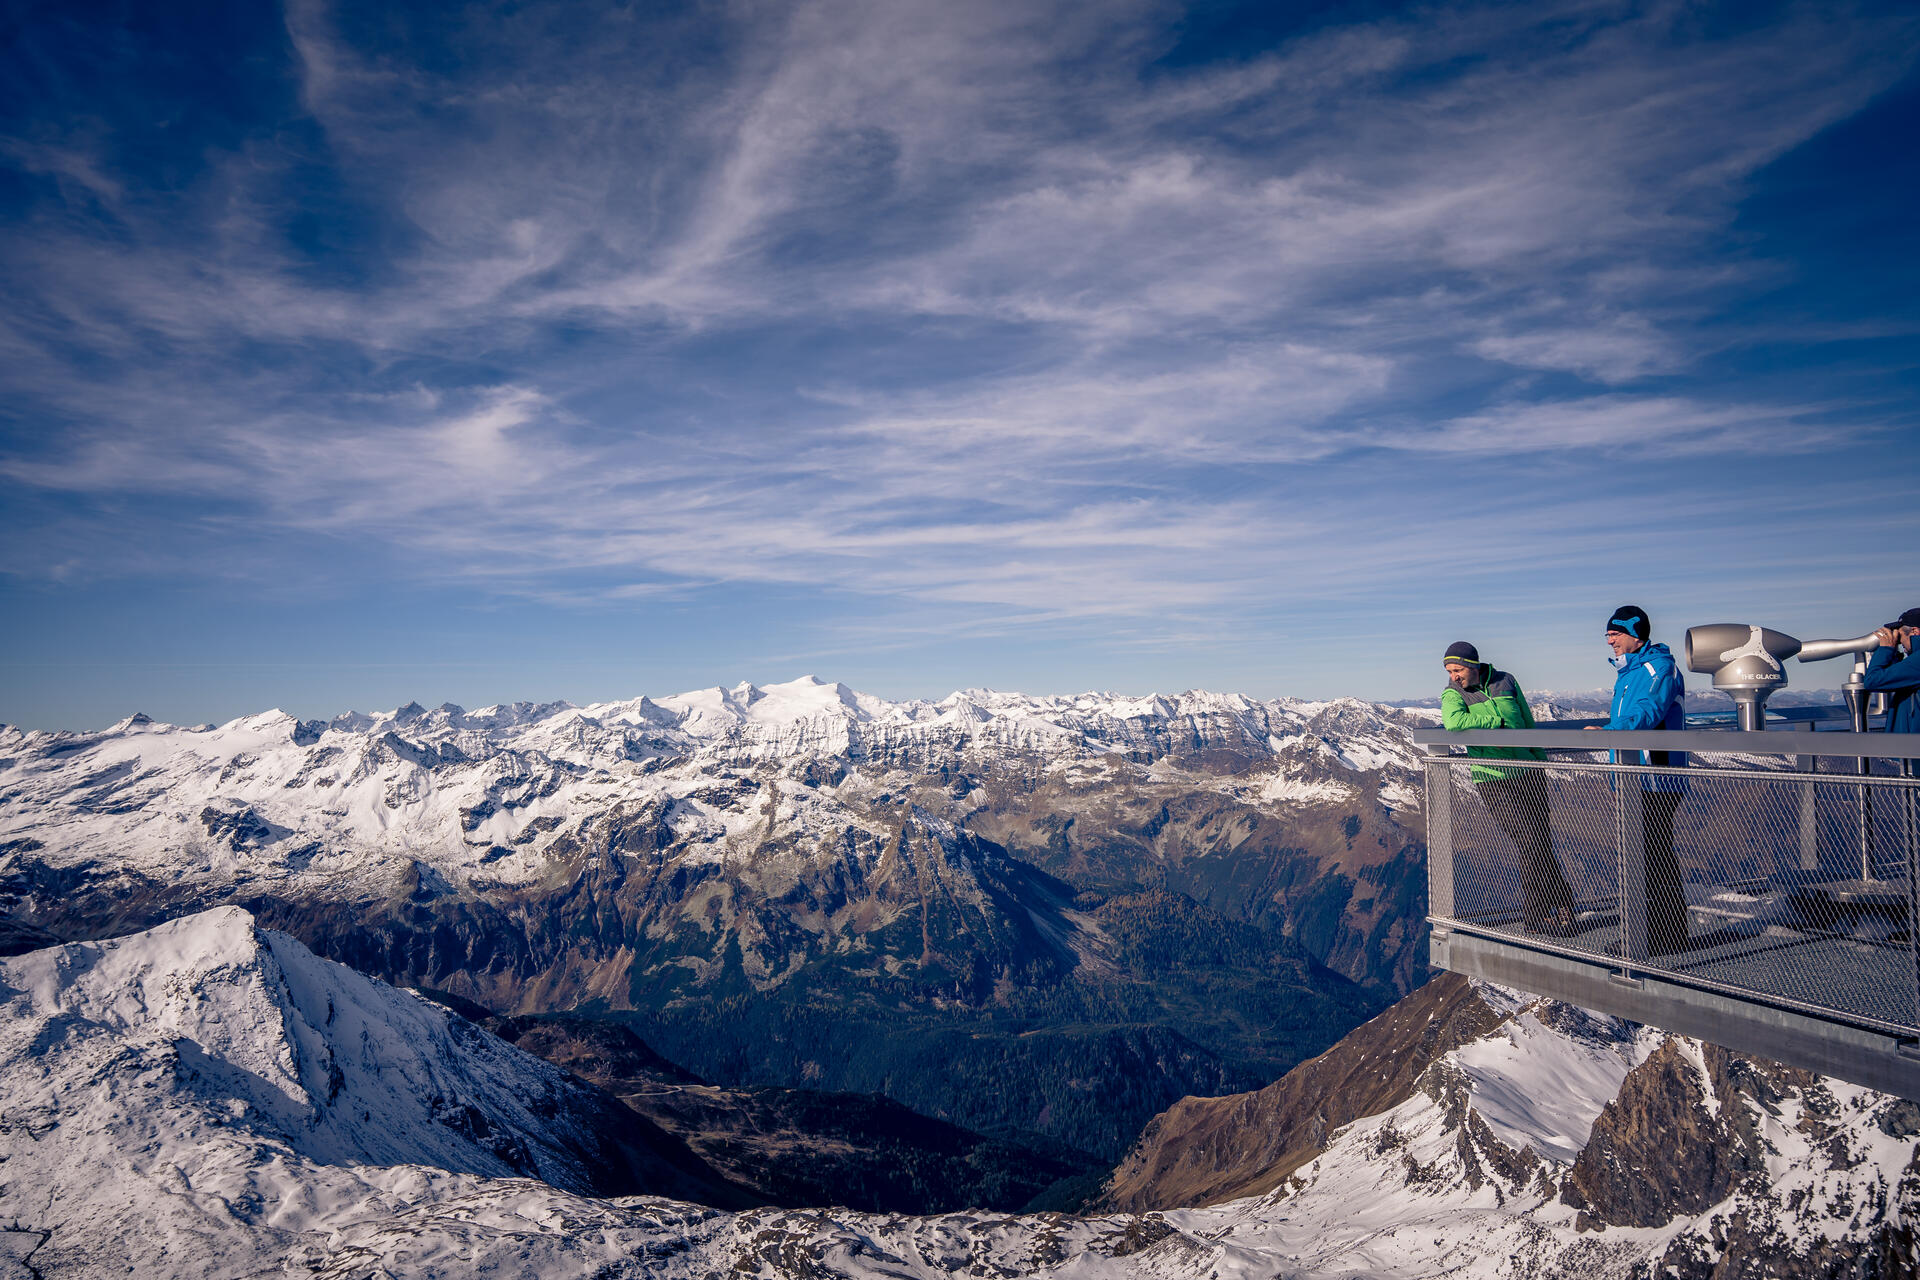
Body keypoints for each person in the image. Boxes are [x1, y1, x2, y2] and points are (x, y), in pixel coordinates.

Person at [1439, 641, 1575, 935]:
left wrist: (1539, 762)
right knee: (1530, 844)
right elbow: (1453, 722)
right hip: (1493, 779)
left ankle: (1562, 904)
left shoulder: (1506, 681)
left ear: (1473, 666)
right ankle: (1537, 917)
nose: (1454, 676)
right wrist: (1497, 721)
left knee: (1540, 843)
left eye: (1458, 669)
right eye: (1450, 671)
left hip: (1528, 773)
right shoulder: (1453, 694)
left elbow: (1526, 722)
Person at [1594, 605, 1689, 954]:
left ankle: (1660, 936)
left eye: (1615, 634)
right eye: (1608, 636)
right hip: (1635, 775)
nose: (1610, 641)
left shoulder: (1657, 667)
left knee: (1652, 854)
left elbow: (1648, 713)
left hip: (1655, 775)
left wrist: (1610, 732)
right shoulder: (1630, 670)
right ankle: (1662, 934)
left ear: (1635, 632)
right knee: (1648, 854)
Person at [1864, 608, 1920, 739]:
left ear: (1915, 632)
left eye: (1900, 636)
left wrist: (1885, 649)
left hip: (1912, 752)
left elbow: (1873, 681)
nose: (1899, 642)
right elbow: (1896, 680)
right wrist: (1893, 654)